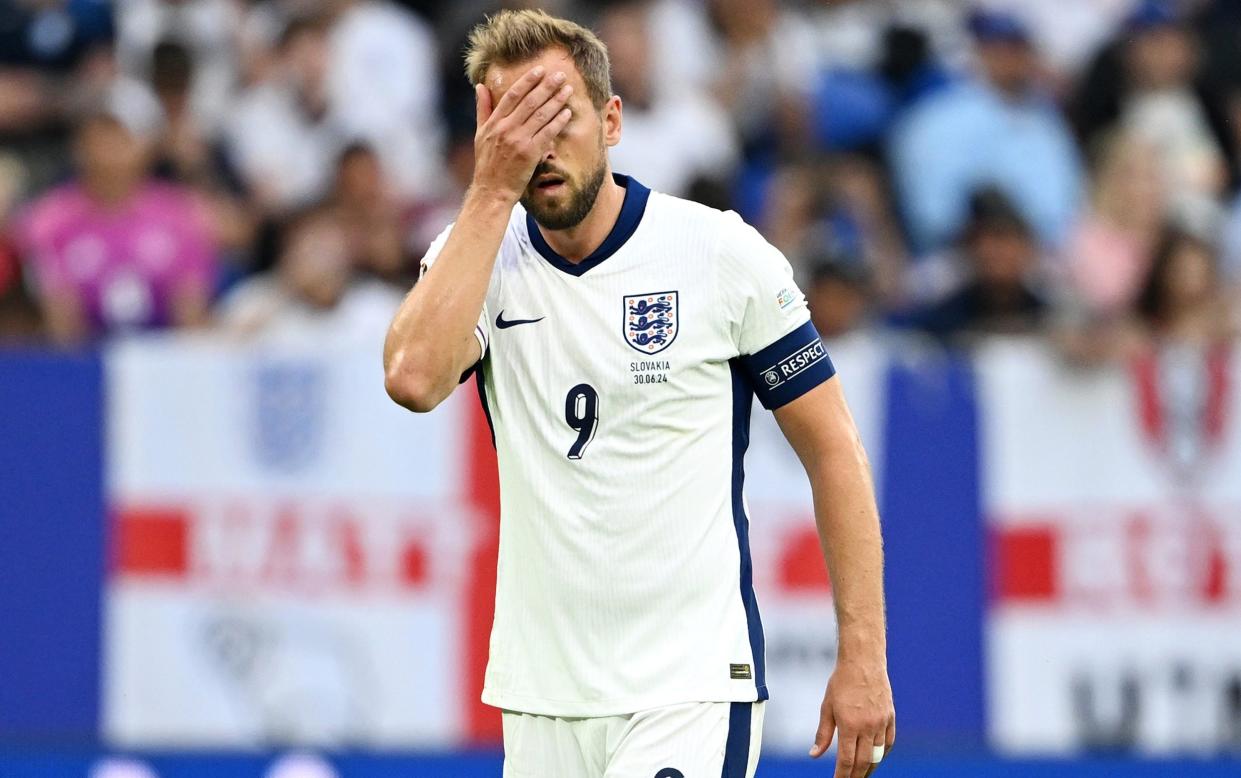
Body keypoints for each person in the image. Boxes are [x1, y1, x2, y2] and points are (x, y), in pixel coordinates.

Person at [383, 10, 894, 778]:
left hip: (684, 687)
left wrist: (862, 657)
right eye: (515, 124)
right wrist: (489, 193)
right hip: (542, 696)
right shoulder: (475, 261)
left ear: (611, 119)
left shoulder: (716, 253)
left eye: (557, 115)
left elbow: (832, 449)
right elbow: (413, 381)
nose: (539, 146)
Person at [16, 99, 216, 345]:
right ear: (80, 145)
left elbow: (191, 314)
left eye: (121, 137)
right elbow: (60, 320)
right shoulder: (49, 219)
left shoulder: (181, 216)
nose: (109, 150)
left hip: (163, 361)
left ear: (146, 146)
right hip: (83, 363)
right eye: (100, 136)